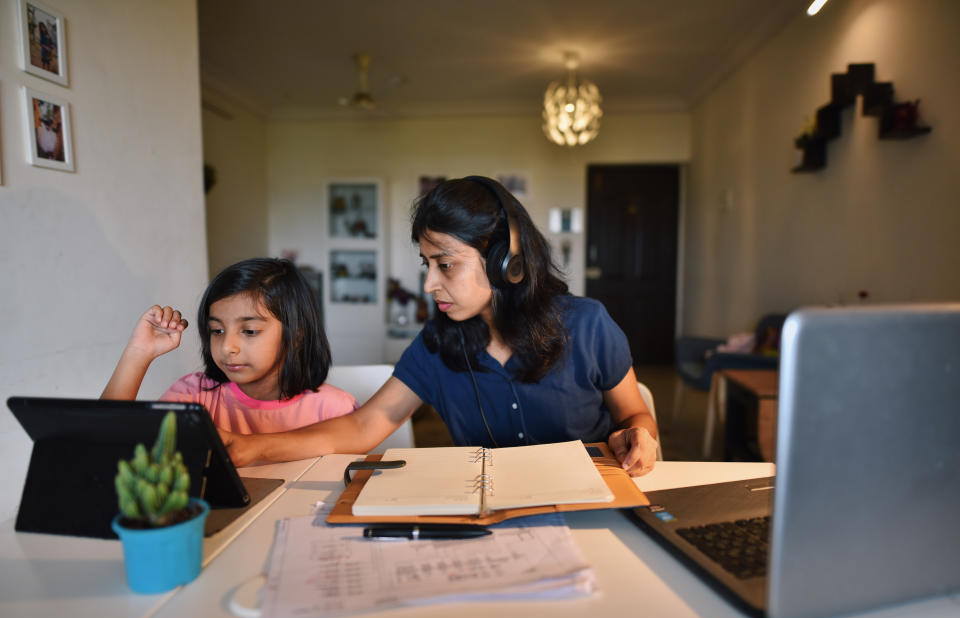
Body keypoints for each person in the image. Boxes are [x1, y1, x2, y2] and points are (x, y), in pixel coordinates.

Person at [219, 177, 659, 475]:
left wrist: (639, 436)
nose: (430, 283)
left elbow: (634, 414)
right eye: (426, 264)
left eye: (445, 264)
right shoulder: (435, 344)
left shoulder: (587, 325)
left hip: (593, 510)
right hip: (492, 520)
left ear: (506, 261)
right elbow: (363, 426)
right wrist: (248, 447)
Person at [101, 258, 356, 434]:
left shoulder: (334, 409)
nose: (227, 347)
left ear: (297, 335)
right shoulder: (194, 395)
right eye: (217, 331)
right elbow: (103, 438)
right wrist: (138, 353)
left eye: (249, 331)